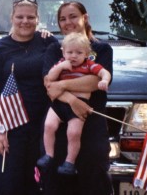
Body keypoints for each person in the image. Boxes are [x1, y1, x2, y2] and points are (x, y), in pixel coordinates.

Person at [0, 0, 57, 195]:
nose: (25, 21)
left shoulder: (48, 42)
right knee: (9, 183)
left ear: (38, 19)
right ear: (11, 18)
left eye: (30, 17)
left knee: (38, 184)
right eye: (20, 16)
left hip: (43, 127)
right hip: (10, 128)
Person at [42, 1, 114, 195]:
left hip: (92, 130)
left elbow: (93, 82)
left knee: (93, 185)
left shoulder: (102, 49)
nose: (68, 22)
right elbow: (49, 87)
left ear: (85, 18)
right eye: (62, 19)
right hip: (60, 132)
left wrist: (62, 84)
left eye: (73, 16)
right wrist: (74, 101)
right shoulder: (53, 50)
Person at [37, 32, 111, 176]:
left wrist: (104, 81)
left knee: (74, 133)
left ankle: (69, 162)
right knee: (49, 126)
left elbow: (104, 72)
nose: (73, 56)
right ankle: (48, 155)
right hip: (59, 102)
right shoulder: (61, 64)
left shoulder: (89, 65)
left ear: (87, 53)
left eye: (79, 52)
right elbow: (49, 79)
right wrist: (60, 67)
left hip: (79, 105)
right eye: (69, 52)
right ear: (63, 52)